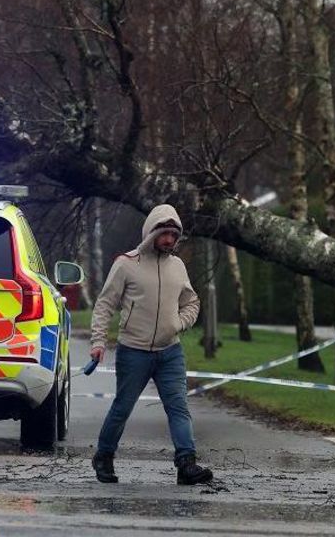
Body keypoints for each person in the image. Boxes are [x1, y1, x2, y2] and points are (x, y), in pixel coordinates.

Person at [89, 204, 213, 485]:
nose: (170, 240)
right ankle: (104, 456)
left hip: (170, 351)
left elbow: (191, 301)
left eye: (174, 235)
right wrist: (98, 341)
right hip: (133, 351)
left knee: (178, 406)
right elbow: (104, 305)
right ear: (151, 233)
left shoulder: (178, 266)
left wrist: (179, 323)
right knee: (122, 407)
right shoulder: (126, 264)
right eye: (164, 234)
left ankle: (186, 463)